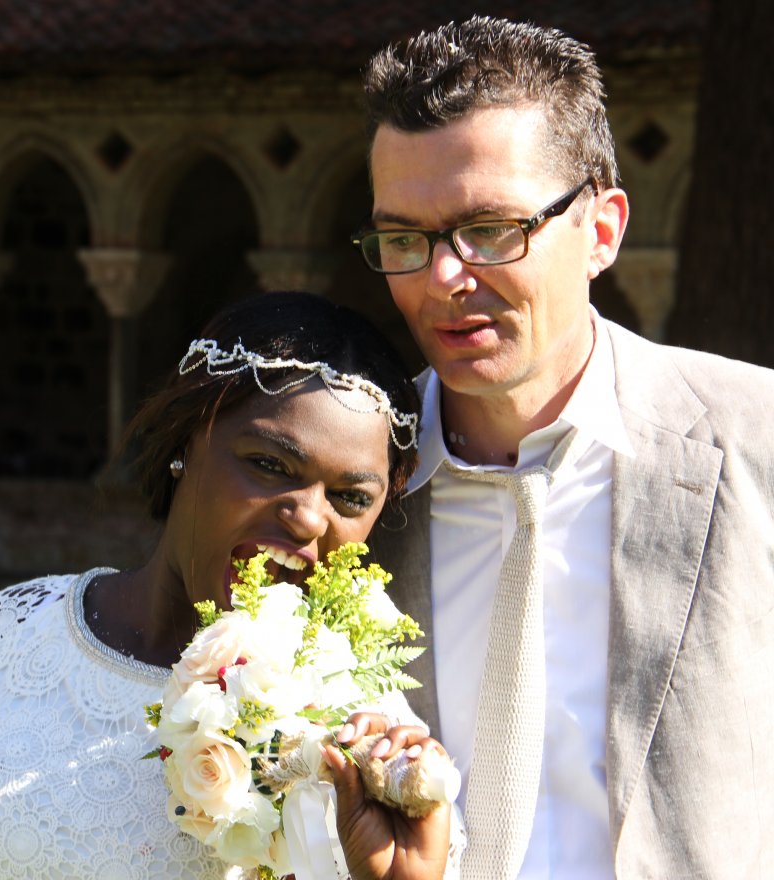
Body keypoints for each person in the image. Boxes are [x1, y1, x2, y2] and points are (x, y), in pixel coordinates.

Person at [346, 14, 774, 880]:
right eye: (404, 239)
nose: (443, 279)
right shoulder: (345, 495)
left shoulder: (757, 443)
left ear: (604, 230)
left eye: (493, 229)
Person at [0, 290, 432, 880]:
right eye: (270, 464)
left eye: (351, 497)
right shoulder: (6, 630)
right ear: (183, 442)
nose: (308, 516)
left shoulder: (359, 734)